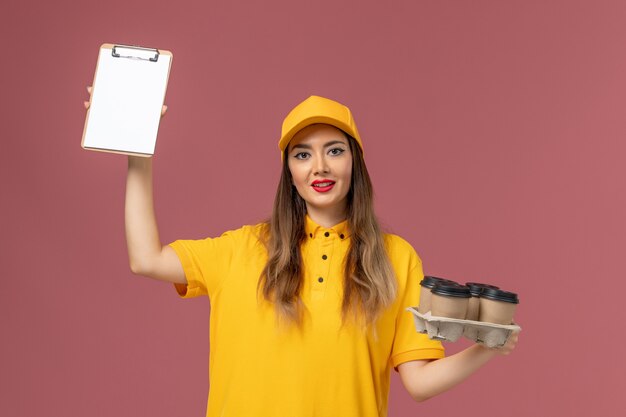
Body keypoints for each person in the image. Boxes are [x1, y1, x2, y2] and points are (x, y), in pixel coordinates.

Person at [88, 93, 518, 416]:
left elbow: (420, 382)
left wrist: (489, 347)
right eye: (302, 154)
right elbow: (145, 258)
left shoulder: (396, 259)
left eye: (335, 150)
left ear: (355, 162)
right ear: (289, 173)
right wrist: (137, 154)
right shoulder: (242, 248)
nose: (320, 167)